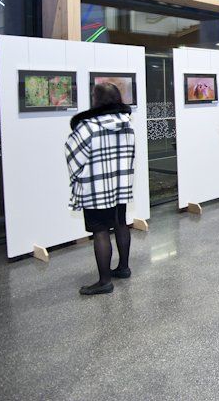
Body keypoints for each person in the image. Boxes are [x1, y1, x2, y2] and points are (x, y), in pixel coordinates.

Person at [65, 82, 136, 295]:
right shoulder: (127, 123)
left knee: (100, 231)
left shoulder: (87, 127)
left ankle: (105, 281)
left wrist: (77, 178)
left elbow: (73, 156)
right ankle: (123, 268)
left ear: (96, 100)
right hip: (120, 185)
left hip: (96, 188)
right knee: (121, 223)